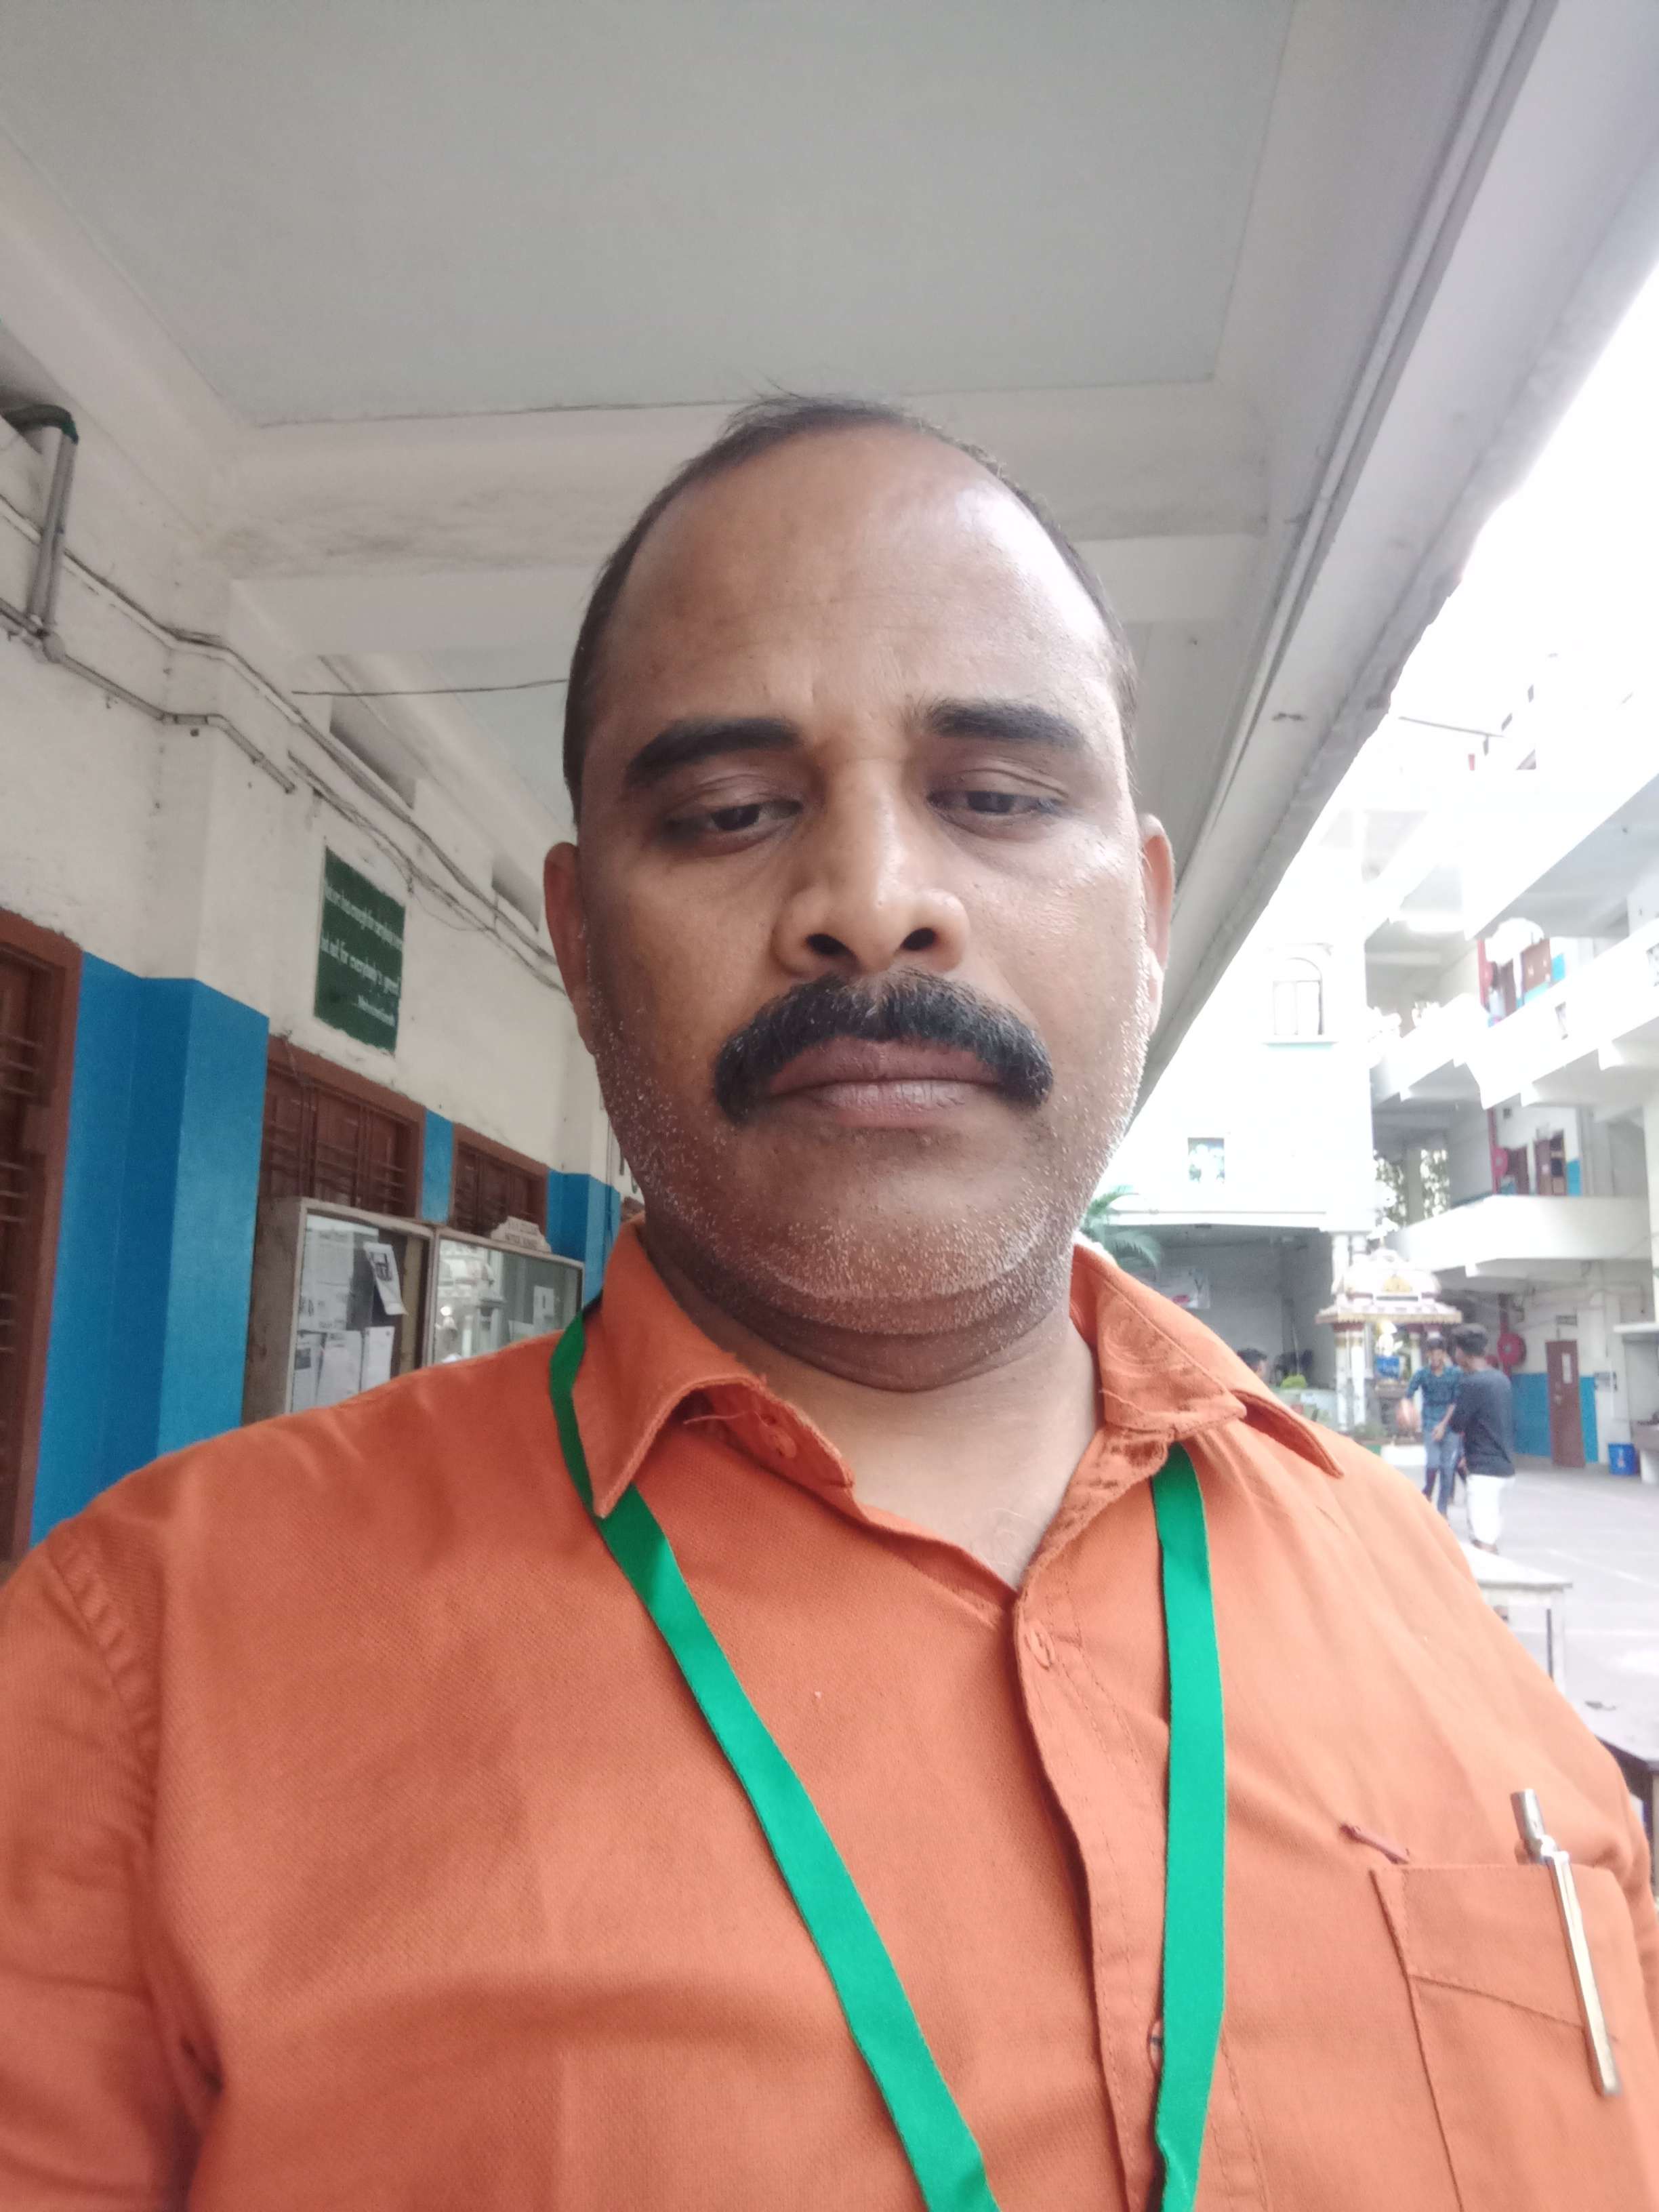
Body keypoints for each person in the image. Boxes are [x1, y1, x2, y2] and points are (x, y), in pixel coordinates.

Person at [1, 396, 1656, 2209]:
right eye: (728, 812)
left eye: (997, 798)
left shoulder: (1413, 1592)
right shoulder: (145, 1679)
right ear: (577, 943)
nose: (869, 904)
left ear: (1148, 919)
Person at [1436, 1322, 1517, 1552]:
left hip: (1484, 1474)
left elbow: (1457, 1424)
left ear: (1462, 1353)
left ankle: (1490, 1576)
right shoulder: (1501, 1380)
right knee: (1489, 1537)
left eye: (1456, 1350)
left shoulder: (1471, 1383)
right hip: (1505, 1469)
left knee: (1482, 1542)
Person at [1406, 1333, 1461, 1515]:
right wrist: (1409, 1412)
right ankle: (1428, 1491)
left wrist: (1443, 1425)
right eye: (1432, 1354)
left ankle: (1442, 1510)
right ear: (1427, 1355)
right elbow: (1408, 1394)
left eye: (1439, 1354)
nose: (1436, 1358)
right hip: (1430, 1422)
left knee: (1447, 1467)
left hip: (1450, 1424)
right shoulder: (1422, 1374)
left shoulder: (1455, 1374)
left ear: (1444, 1354)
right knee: (1433, 1462)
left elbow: (1455, 1401)